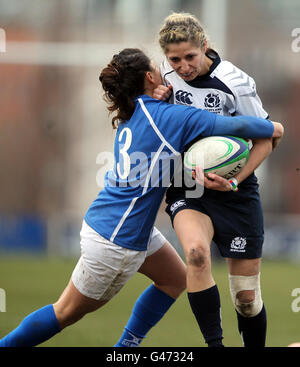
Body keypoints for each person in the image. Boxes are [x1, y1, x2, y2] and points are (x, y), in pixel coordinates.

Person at [0, 48, 282, 347]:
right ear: (150, 76)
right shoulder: (166, 117)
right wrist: (273, 127)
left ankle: (126, 347)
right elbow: (236, 126)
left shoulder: (135, 113)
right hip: (115, 239)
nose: (166, 69)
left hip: (123, 223)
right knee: (65, 312)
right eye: (157, 66)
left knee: (174, 278)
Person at [115, 13, 284, 348]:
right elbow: (144, 117)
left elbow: (267, 138)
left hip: (236, 191)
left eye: (190, 57)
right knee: (195, 253)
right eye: (174, 59)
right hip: (187, 186)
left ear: (204, 46)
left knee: (247, 300)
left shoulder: (236, 82)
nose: (183, 66)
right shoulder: (163, 78)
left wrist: (234, 179)